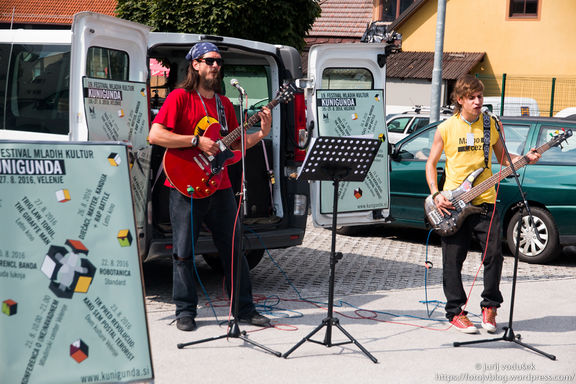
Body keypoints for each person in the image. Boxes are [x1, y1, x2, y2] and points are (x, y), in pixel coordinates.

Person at [148, 42, 272, 331]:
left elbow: (233, 145)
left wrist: (261, 133)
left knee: (233, 248)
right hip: (185, 186)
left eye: (218, 61)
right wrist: (195, 141)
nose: (215, 66)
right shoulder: (180, 97)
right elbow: (155, 134)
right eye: (209, 60)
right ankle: (185, 311)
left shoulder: (223, 104)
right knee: (183, 251)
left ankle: (244, 308)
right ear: (195, 64)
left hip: (220, 186)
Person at [425, 74, 541, 334]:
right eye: (472, 98)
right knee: (453, 261)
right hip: (453, 204)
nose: (478, 102)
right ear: (460, 100)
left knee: (494, 257)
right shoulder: (445, 128)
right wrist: (435, 194)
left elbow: (503, 158)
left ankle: (490, 307)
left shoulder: (490, 125)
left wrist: (525, 158)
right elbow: (430, 163)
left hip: (486, 203)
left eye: (480, 97)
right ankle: (456, 312)